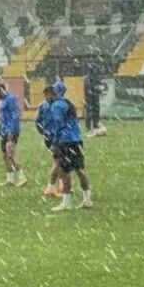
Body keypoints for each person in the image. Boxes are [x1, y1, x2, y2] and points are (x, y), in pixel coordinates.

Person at [47, 81, 93, 211]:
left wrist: (55, 142)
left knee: (64, 172)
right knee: (80, 170)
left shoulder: (56, 106)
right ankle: (87, 199)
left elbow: (59, 125)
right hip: (76, 139)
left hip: (65, 141)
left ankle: (66, 202)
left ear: (53, 93)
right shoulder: (68, 103)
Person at [0, 82, 27, 187]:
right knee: (5, 156)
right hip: (4, 131)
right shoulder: (2, 101)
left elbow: (15, 117)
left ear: (1, 91)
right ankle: (10, 179)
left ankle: (22, 177)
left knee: (10, 154)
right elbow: (2, 119)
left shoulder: (10, 99)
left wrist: (11, 132)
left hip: (11, 132)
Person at [36, 84, 62, 198]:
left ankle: (61, 185)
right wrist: (44, 132)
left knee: (59, 161)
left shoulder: (54, 105)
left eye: (47, 95)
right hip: (53, 137)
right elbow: (37, 121)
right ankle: (51, 187)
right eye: (45, 96)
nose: (46, 98)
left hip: (56, 136)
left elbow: (38, 121)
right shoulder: (45, 106)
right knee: (58, 161)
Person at [85, 64, 107, 136]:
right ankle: (89, 127)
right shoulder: (88, 78)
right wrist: (97, 89)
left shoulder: (94, 77)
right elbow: (89, 89)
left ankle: (95, 125)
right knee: (90, 112)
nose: (95, 71)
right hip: (90, 98)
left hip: (94, 97)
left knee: (96, 111)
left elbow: (101, 85)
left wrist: (101, 89)